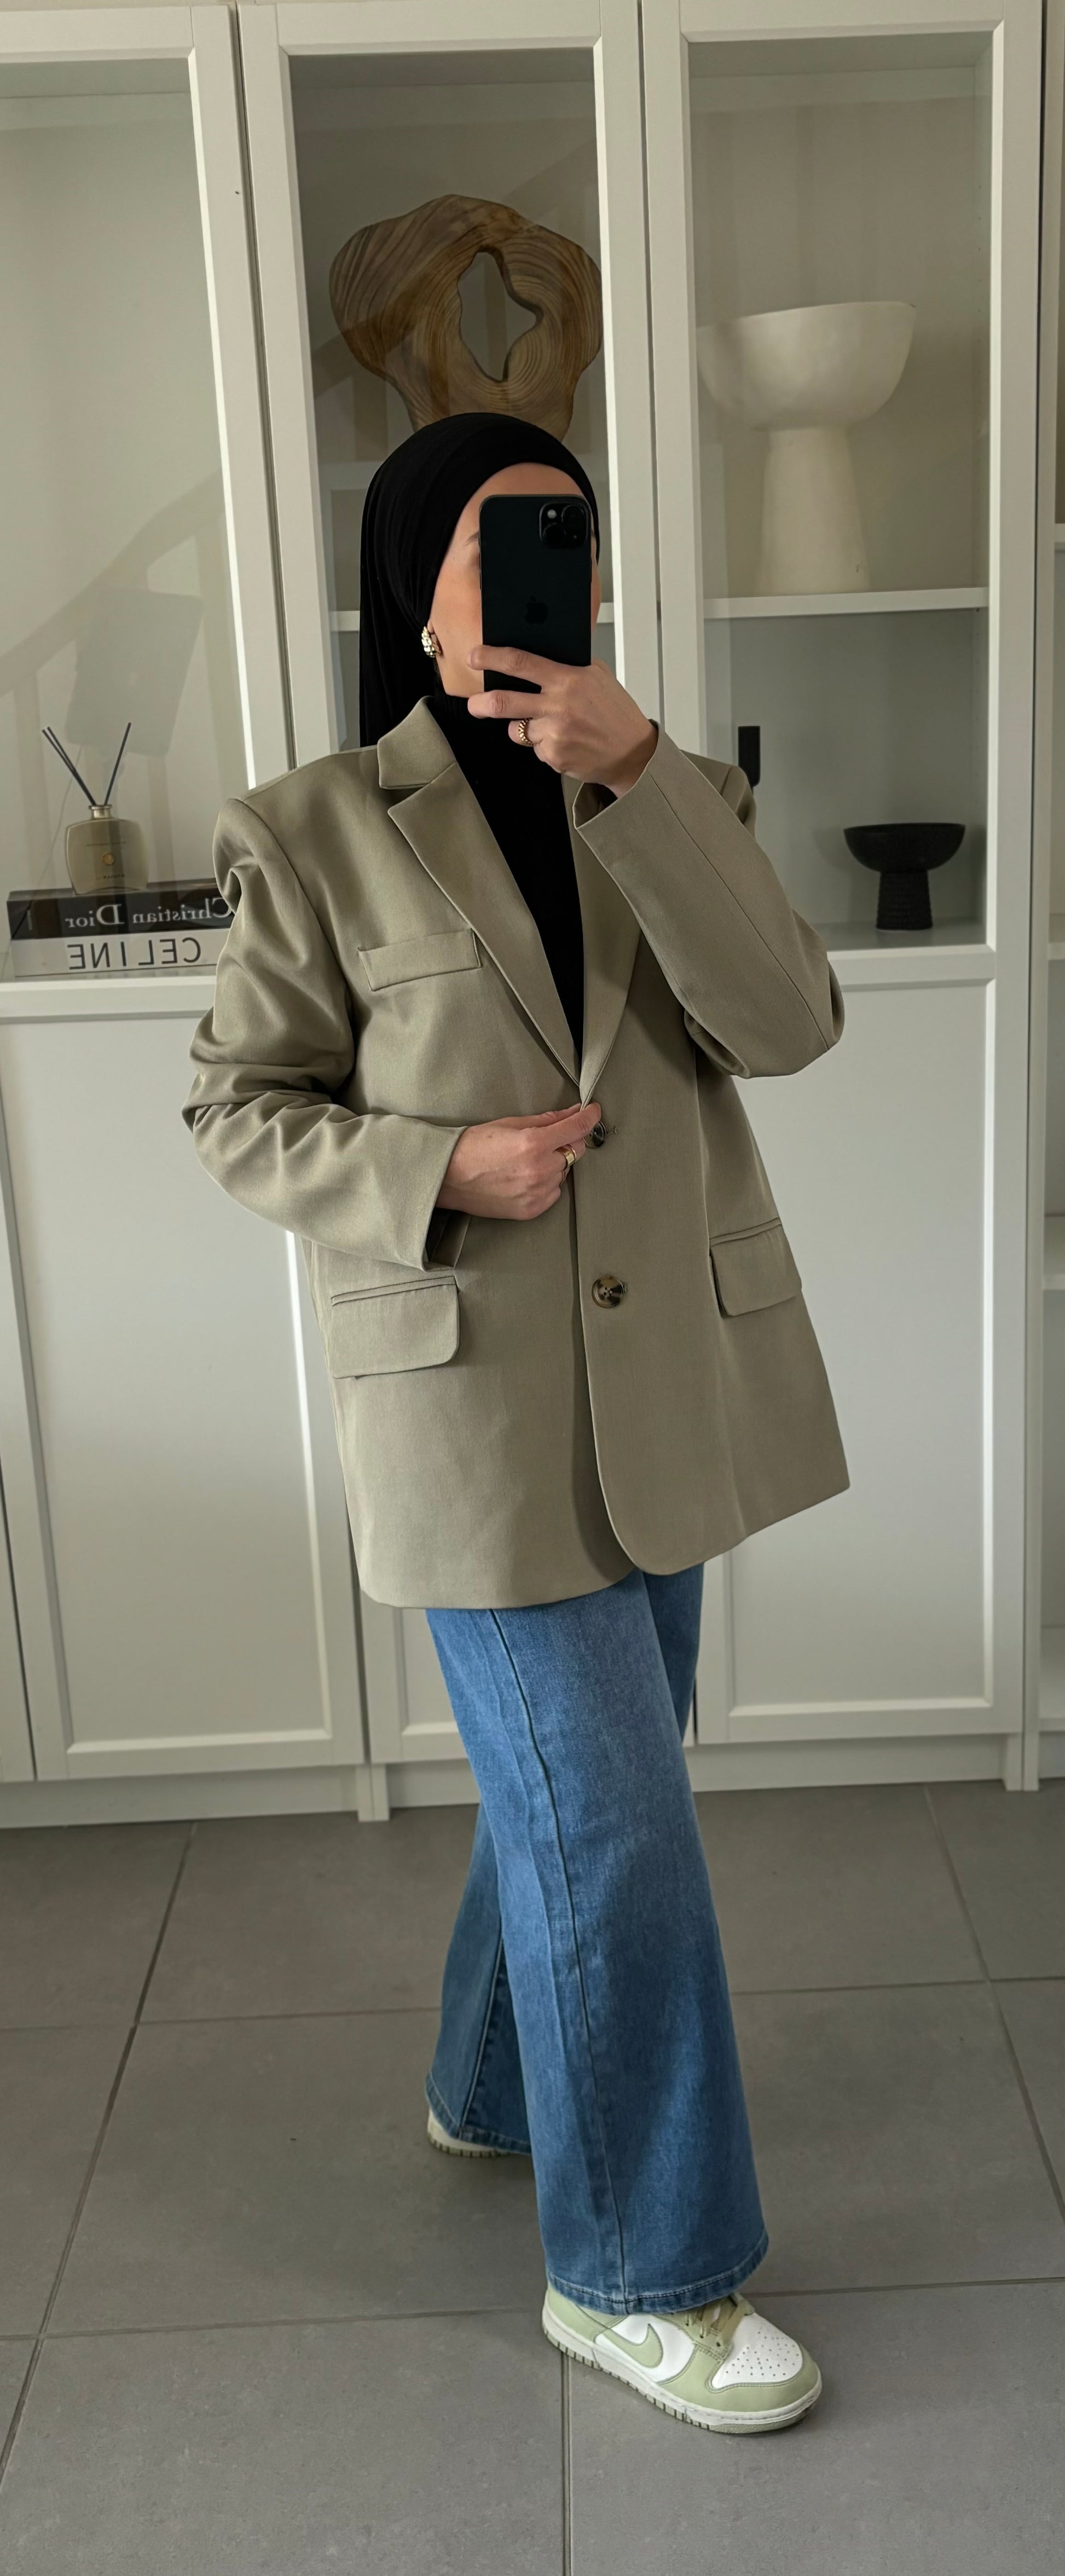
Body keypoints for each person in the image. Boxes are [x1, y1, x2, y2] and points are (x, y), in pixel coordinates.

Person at [182, 410, 850, 2435]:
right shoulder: (311, 829)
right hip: (471, 1409)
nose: (550, 561)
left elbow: (787, 1025)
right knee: (616, 1826)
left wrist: (645, 780)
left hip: (671, 1393)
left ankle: (490, 2082)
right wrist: (435, 1166)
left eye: (568, 528)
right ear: (416, 586)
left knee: (582, 1795)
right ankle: (640, 2272)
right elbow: (238, 1108)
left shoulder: (672, 786)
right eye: (500, 536)